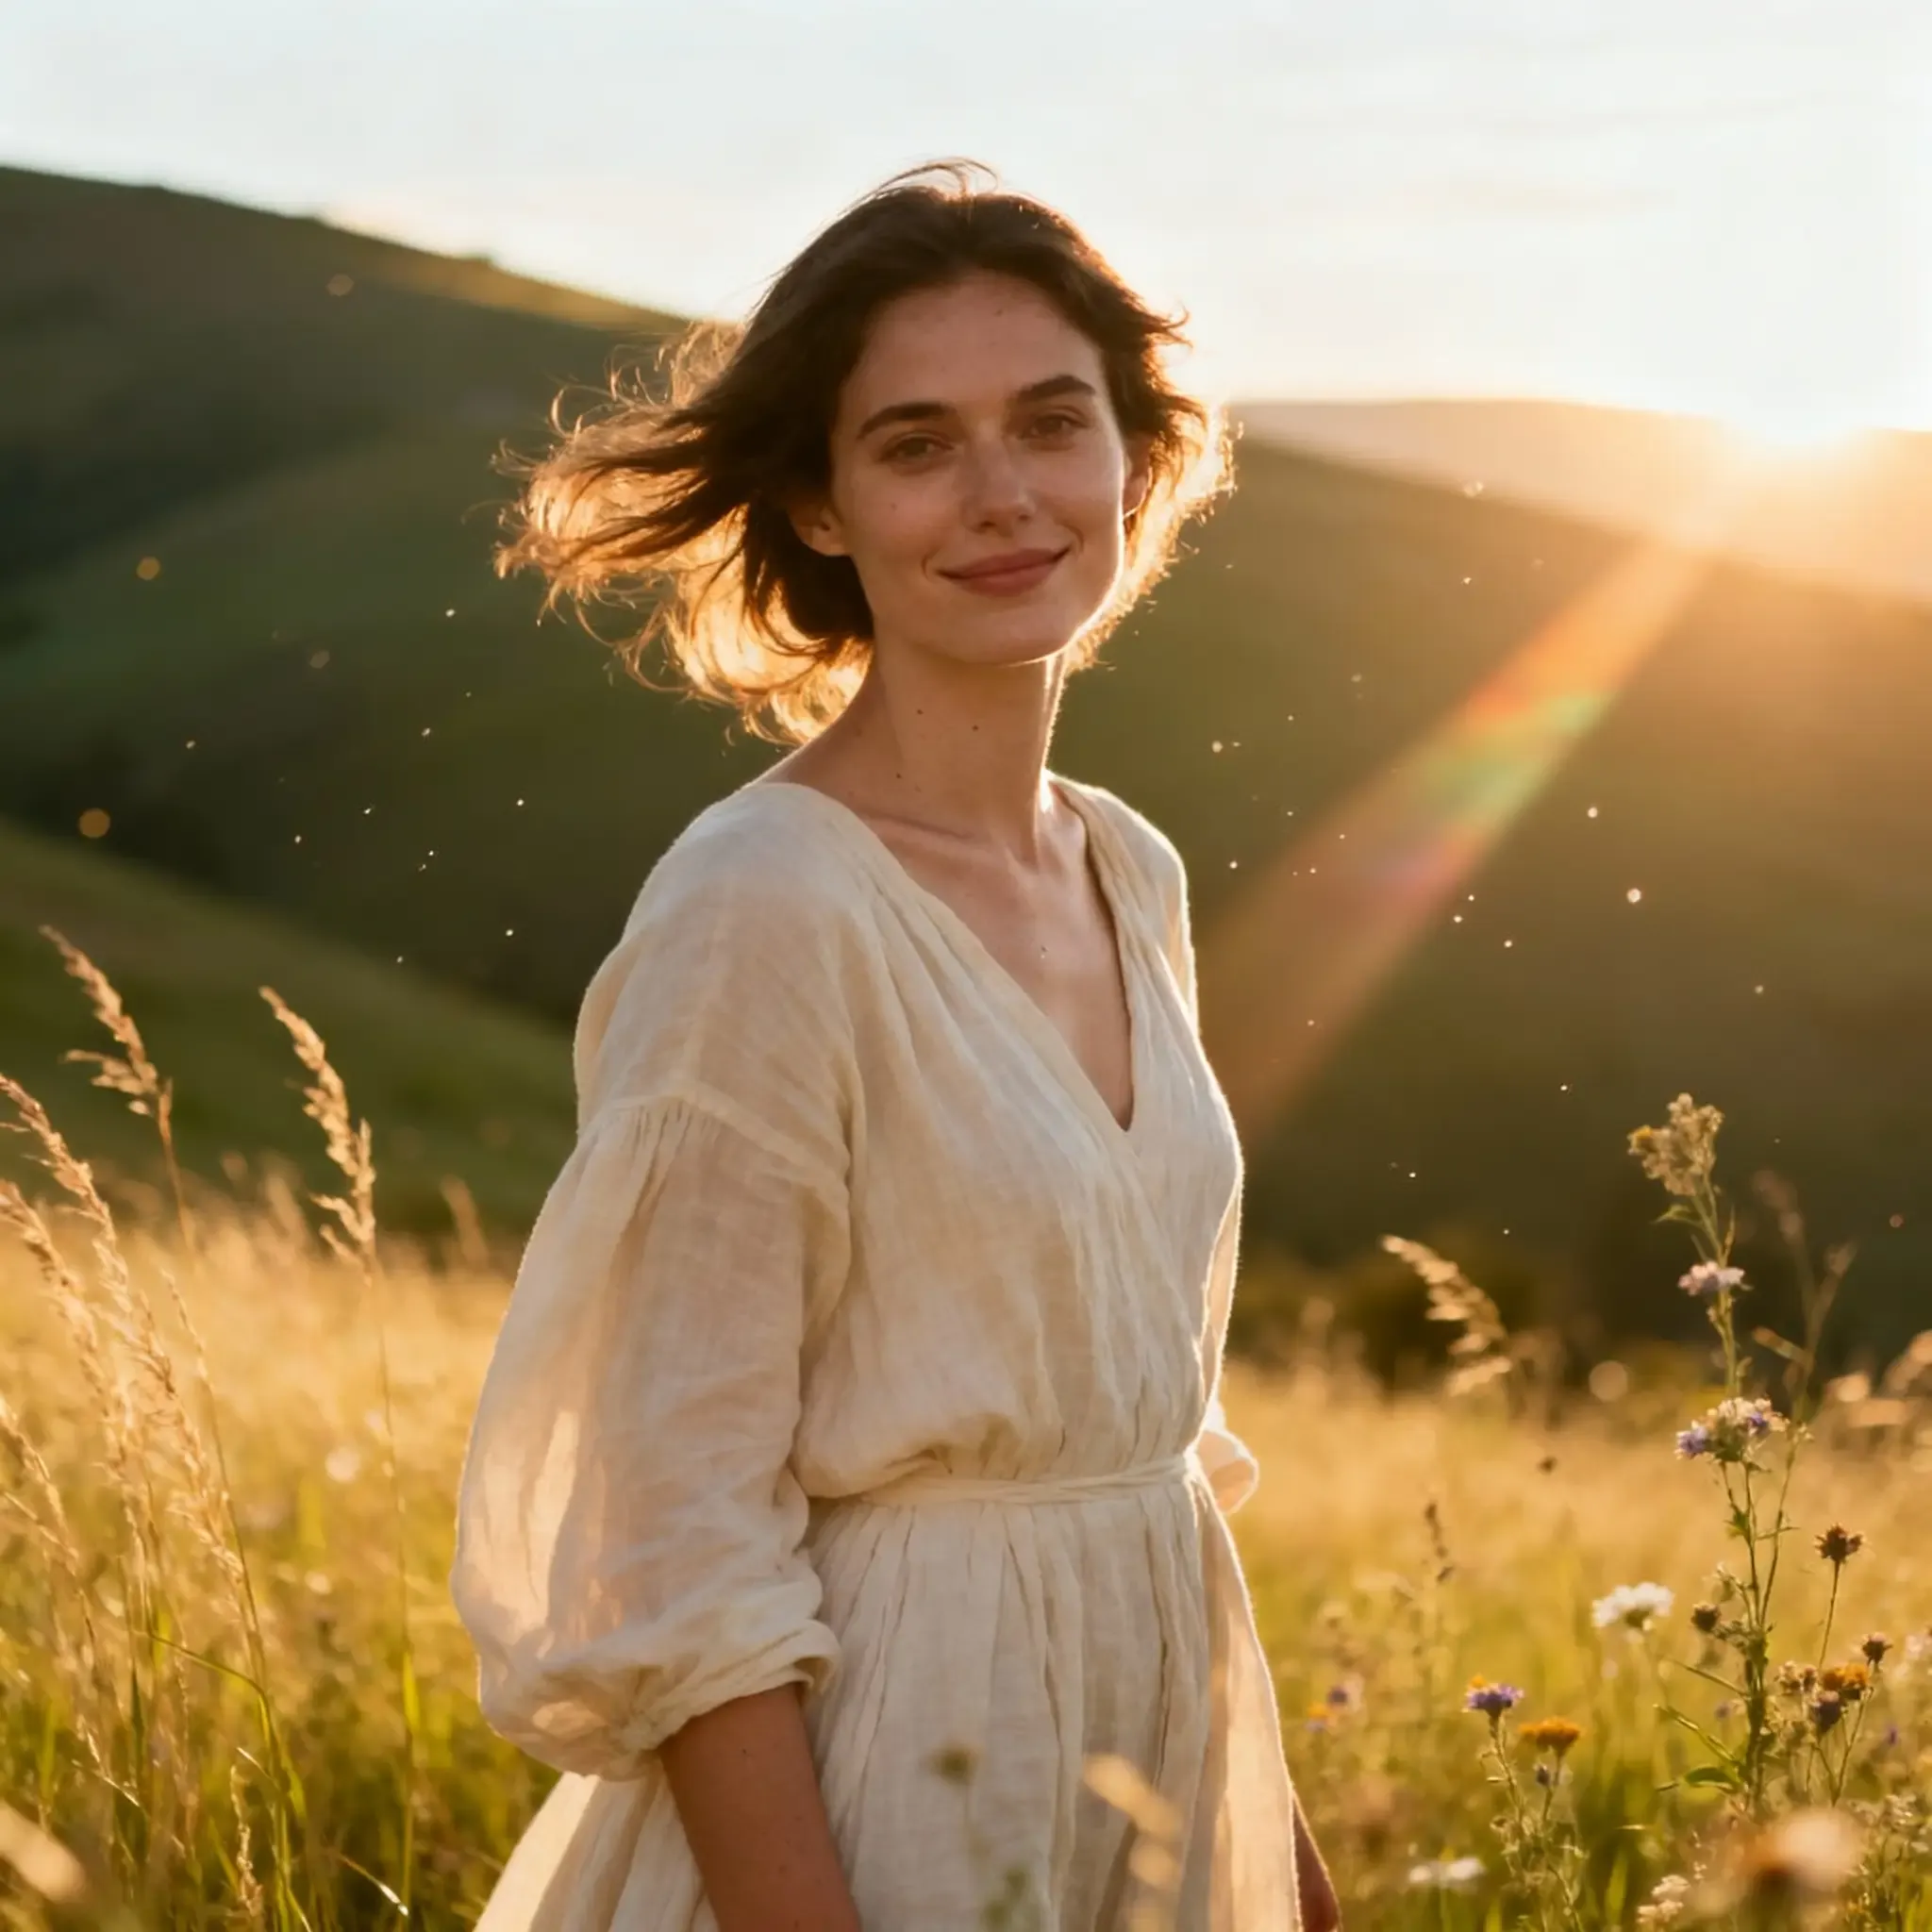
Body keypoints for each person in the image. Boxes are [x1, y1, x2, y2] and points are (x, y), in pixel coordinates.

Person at [450, 159, 1341, 1932]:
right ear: (824, 503)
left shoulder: (1126, 865)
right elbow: (678, 1526)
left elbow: (1150, 1452)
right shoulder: (764, 904)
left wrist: (1288, 1883)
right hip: (883, 1794)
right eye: (918, 442)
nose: (1003, 498)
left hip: (1151, 1779)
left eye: (1051, 423)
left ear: (1136, 461)